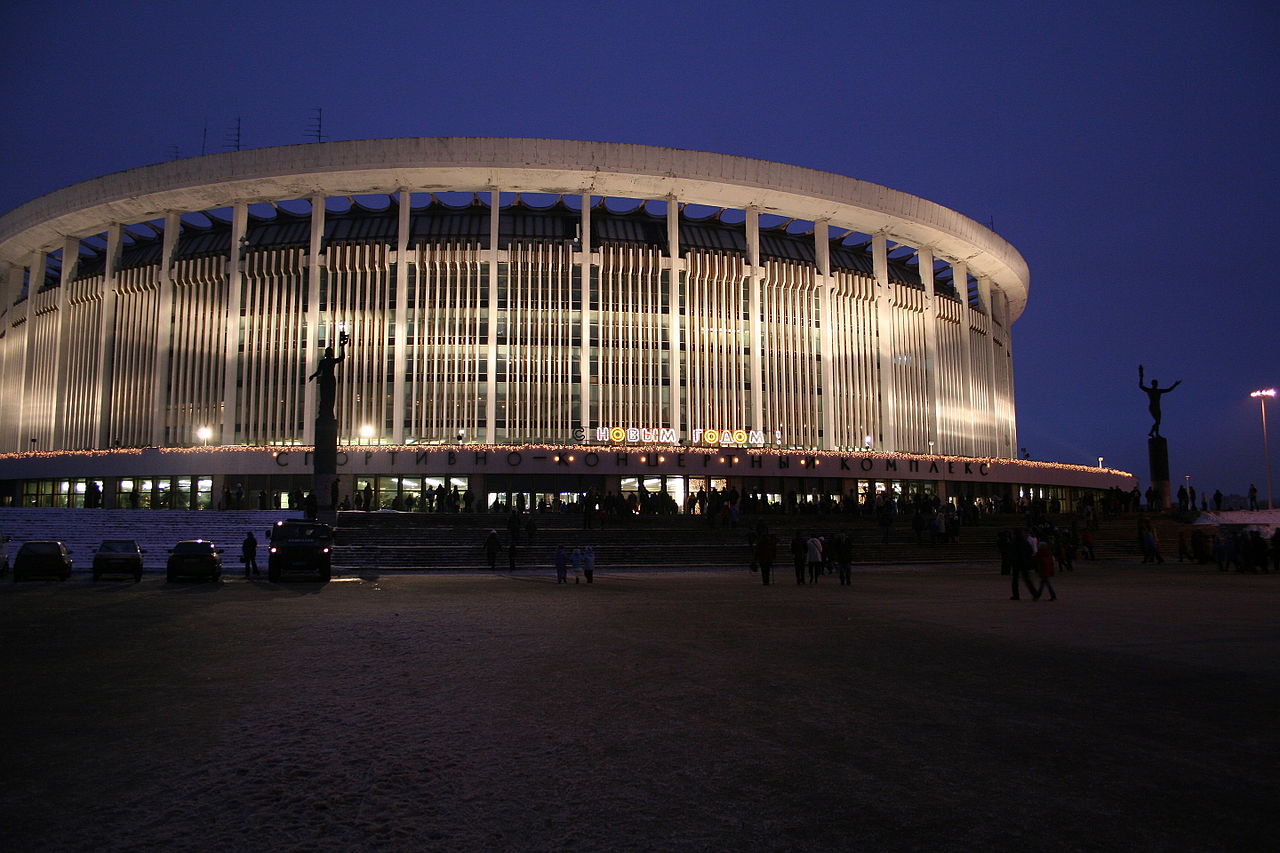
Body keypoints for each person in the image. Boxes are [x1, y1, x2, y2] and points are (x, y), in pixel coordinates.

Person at [1138, 364, 1181, 438]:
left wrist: (1175, 384)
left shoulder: (1159, 391)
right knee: (1157, 421)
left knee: (1158, 422)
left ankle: (1153, 433)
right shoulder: (1150, 390)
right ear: (1152, 384)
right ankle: (1153, 433)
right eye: (1154, 383)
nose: (1156, 385)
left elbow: (1168, 390)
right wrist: (1141, 374)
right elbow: (1141, 385)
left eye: (1156, 384)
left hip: (1158, 407)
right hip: (1152, 407)